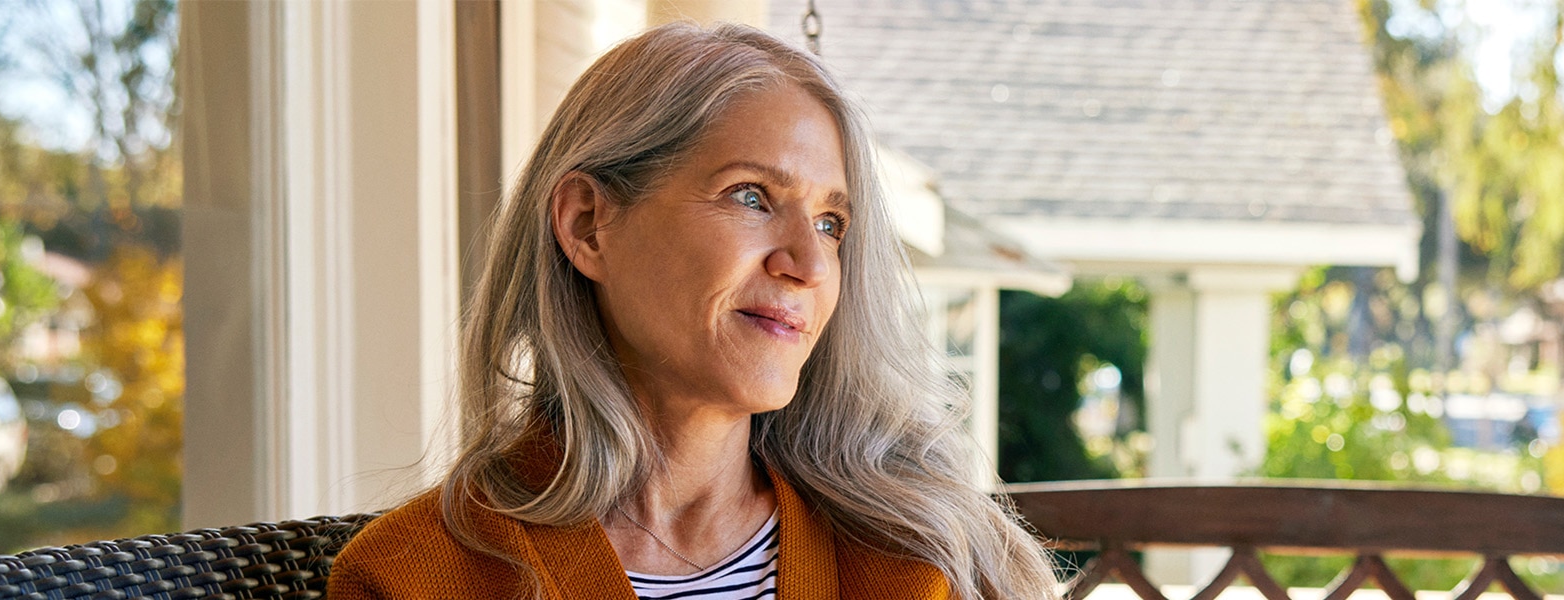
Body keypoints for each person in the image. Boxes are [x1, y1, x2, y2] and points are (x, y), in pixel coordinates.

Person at [329, 23, 1058, 600]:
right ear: (588, 224)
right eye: (752, 196)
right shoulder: (411, 577)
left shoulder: (907, 561)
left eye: (832, 223)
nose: (807, 265)